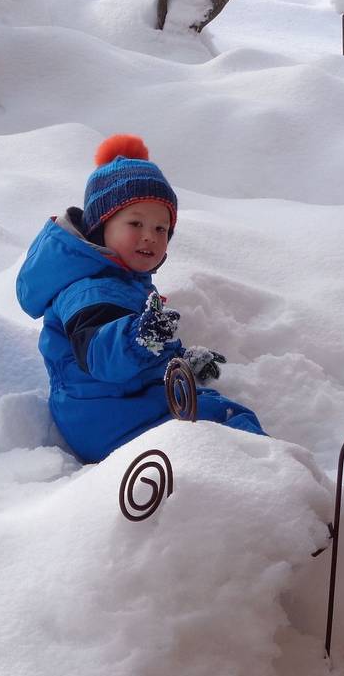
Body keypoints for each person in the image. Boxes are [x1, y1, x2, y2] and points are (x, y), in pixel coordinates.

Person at [16, 134, 265, 463]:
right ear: (101, 227)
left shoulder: (123, 281)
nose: (150, 235)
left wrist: (183, 362)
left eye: (162, 229)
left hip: (121, 404)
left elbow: (134, 354)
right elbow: (101, 355)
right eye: (135, 223)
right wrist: (141, 338)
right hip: (109, 416)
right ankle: (265, 486)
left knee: (216, 416)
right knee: (228, 420)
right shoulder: (89, 290)